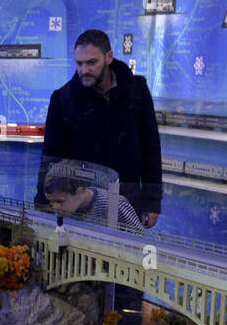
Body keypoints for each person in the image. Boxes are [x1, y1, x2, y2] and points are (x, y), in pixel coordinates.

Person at [37, 29, 162, 227]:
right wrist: (43, 205)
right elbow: (51, 157)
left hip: (127, 198)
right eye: (79, 63)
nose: (84, 70)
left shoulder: (136, 92)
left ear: (109, 57)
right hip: (81, 203)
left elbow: (151, 148)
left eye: (91, 63)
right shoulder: (63, 99)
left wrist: (152, 202)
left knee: (125, 246)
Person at [44, 170, 146, 233]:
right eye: (51, 202)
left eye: (60, 202)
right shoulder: (70, 207)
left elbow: (139, 239)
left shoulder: (115, 204)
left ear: (80, 191)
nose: (55, 207)